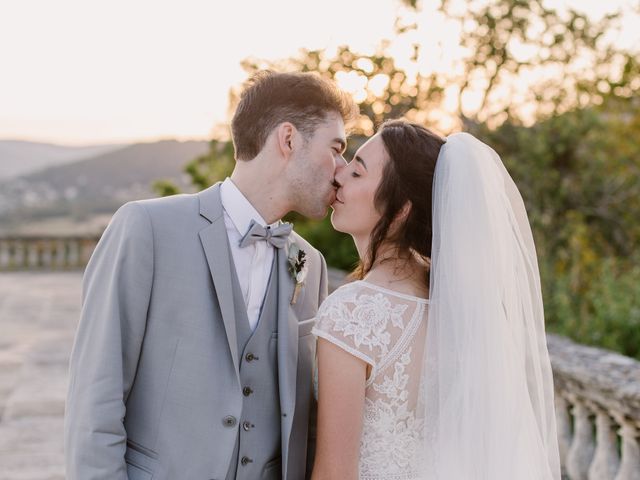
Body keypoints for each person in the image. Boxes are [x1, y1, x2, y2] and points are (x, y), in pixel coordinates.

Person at [64, 70, 357, 480]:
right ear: (288, 139)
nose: (342, 170)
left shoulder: (310, 263)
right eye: (337, 148)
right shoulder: (147, 227)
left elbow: (306, 420)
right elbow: (95, 401)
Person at [311, 119, 561, 479]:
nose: (338, 175)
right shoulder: (466, 310)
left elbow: (335, 474)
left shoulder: (355, 312)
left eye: (357, 173)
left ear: (399, 211)